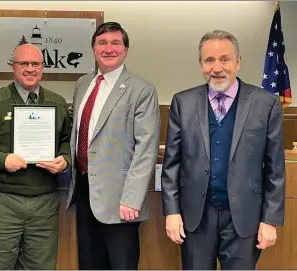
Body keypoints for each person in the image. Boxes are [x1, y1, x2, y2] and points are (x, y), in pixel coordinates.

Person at [161, 30, 285, 270]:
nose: (217, 67)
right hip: (195, 219)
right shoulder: (182, 102)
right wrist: (171, 212)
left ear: (238, 62)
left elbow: (275, 170)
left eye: (224, 59)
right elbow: (171, 165)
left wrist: (270, 220)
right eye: (209, 60)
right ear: (201, 64)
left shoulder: (265, 103)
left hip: (244, 218)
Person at [66, 22, 160, 270]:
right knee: (89, 263)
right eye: (102, 43)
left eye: (115, 43)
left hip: (121, 201)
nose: (109, 49)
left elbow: (146, 149)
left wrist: (132, 199)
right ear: (93, 48)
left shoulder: (141, 90)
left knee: (121, 265)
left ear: (126, 49)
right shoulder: (83, 84)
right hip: (85, 191)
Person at [0, 43, 72, 270]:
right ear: (13, 67)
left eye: (35, 63)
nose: (29, 69)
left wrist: (65, 159)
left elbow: (67, 140)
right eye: (23, 63)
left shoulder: (57, 102)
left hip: (44, 202)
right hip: (2, 202)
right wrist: (2, 160)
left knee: (41, 267)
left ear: (43, 67)